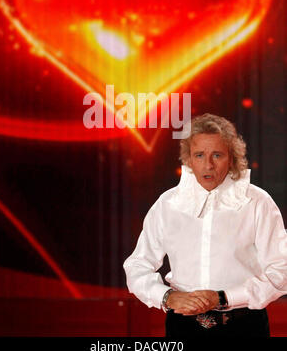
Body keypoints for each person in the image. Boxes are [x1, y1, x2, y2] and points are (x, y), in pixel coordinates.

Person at [123, 113, 287, 337]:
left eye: (217, 155)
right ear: (189, 159)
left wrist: (223, 297)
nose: (207, 165)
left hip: (244, 327)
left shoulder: (258, 202)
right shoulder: (168, 204)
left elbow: (282, 270)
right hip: (182, 326)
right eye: (199, 155)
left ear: (232, 157)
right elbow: (137, 266)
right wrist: (167, 296)